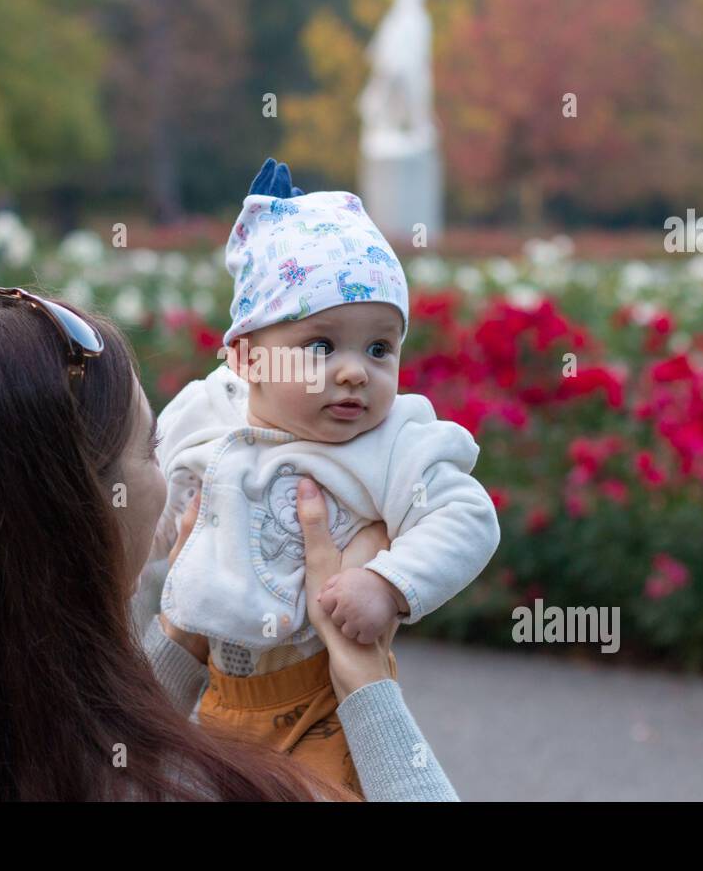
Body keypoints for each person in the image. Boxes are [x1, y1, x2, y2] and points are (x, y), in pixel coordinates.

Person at [0, 285, 456, 800]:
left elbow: (66, 724)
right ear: (81, 513)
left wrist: (182, 633)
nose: (174, 483)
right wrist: (359, 674)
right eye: (153, 450)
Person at [143, 158, 499, 794]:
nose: (356, 372)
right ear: (246, 357)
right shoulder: (208, 417)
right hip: (220, 692)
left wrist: (386, 584)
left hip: (327, 701)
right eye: (322, 346)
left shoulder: (391, 444)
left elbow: (467, 516)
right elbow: (158, 526)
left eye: (380, 348)